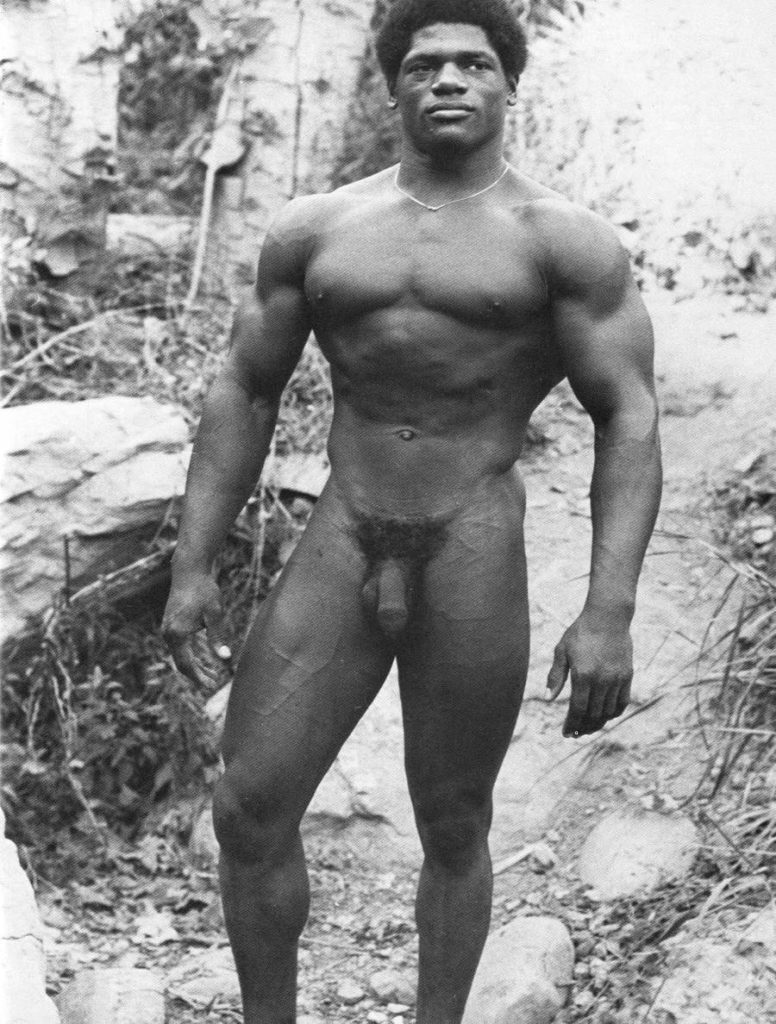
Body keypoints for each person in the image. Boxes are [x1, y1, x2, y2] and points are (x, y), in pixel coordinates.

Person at [162, 0, 662, 1020]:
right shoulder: (316, 229)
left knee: (454, 820)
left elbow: (628, 414)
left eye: (472, 63)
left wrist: (608, 609)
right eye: (425, 63)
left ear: (508, 85)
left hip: (470, 538)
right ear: (392, 86)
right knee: (248, 806)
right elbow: (245, 389)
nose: (448, 79)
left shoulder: (563, 242)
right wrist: (192, 563)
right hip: (342, 531)